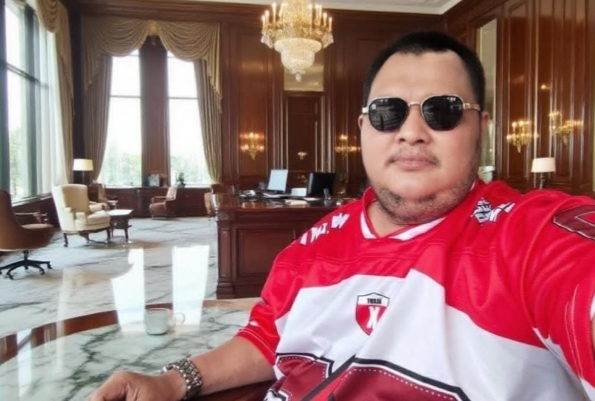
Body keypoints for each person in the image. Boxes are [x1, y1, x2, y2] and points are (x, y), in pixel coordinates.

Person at [89, 30, 595, 401]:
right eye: (388, 113)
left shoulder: (529, 234)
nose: (411, 132)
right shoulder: (313, 245)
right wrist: (172, 381)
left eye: (441, 111)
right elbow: (268, 338)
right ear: (364, 128)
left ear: (479, 127)